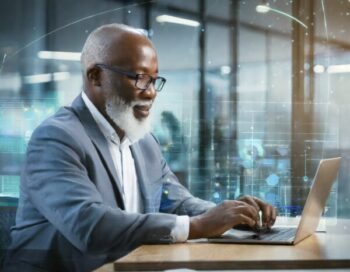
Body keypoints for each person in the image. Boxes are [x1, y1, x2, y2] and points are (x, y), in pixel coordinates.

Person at [4, 24, 276, 272]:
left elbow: (175, 201)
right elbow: (89, 225)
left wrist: (231, 215)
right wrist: (198, 226)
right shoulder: (56, 138)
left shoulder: (144, 141)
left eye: (154, 79)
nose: (151, 92)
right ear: (96, 76)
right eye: (139, 78)